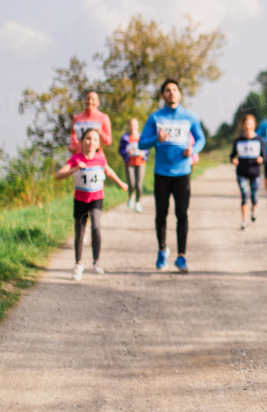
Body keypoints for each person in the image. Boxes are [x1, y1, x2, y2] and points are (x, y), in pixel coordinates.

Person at [138, 79, 206, 273]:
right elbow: (142, 143)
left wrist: (193, 150)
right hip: (161, 173)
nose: (171, 93)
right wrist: (155, 139)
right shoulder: (155, 118)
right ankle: (161, 250)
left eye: (174, 90)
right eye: (167, 90)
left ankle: (181, 257)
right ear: (162, 95)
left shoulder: (190, 117)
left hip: (183, 173)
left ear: (180, 94)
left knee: (182, 214)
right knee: (161, 214)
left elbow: (201, 139)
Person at [53, 128, 127, 280]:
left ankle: (96, 262)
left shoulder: (100, 159)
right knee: (79, 232)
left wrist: (121, 183)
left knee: (96, 226)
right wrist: (75, 168)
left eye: (94, 139)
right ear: (81, 141)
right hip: (80, 199)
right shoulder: (76, 159)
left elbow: (109, 171)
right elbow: (59, 175)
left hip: (96, 198)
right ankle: (78, 264)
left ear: (99, 143)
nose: (91, 142)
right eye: (88, 139)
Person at [230, 115, 266, 229]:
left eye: (250, 123)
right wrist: (233, 160)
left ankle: (254, 209)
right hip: (242, 172)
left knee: (254, 196)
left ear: (254, 125)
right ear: (242, 125)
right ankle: (244, 221)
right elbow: (232, 155)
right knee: (245, 196)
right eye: (245, 123)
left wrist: (261, 160)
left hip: (255, 172)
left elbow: (264, 157)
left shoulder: (259, 140)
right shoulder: (238, 140)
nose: (248, 126)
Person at [118, 118, 147, 212]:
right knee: (131, 183)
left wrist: (144, 153)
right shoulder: (125, 137)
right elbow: (121, 150)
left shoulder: (142, 136)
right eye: (131, 124)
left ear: (137, 126)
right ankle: (131, 197)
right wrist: (127, 152)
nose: (132, 126)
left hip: (140, 163)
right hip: (129, 163)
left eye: (134, 124)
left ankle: (138, 202)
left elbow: (147, 147)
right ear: (128, 126)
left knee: (139, 184)